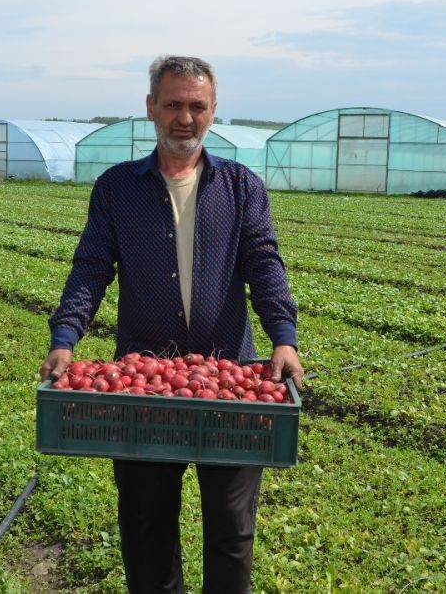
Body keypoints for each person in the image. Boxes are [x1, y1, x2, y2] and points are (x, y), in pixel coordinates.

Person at [41, 55, 303, 593]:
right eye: (174, 104)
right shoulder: (118, 188)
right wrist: (66, 337)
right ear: (150, 109)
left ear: (213, 112)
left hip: (229, 382)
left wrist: (284, 338)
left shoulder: (241, 187)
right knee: (146, 525)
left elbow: (263, 262)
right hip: (143, 393)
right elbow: (92, 266)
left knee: (232, 530)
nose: (185, 117)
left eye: (197, 106)